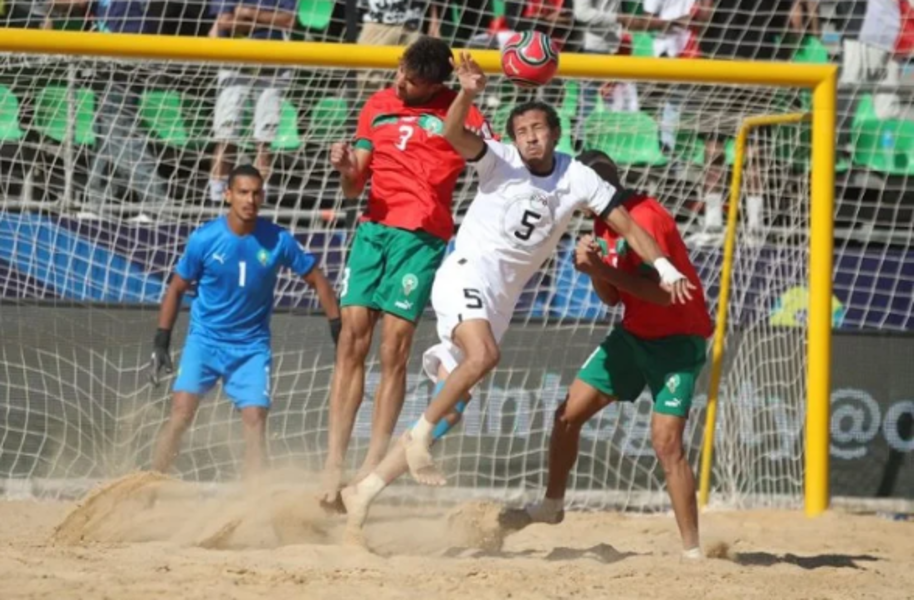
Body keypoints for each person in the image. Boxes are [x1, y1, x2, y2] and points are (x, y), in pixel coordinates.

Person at [338, 54, 694, 531]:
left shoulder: (577, 177)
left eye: (538, 129)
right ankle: (417, 436)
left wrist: (665, 266)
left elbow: (627, 224)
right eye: (521, 129)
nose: (529, 136)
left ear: (555, 134)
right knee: (483, 357)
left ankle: (365, 489)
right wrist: (467, 92)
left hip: (499, 302)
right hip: (464, 276)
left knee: (454, 407)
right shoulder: (499, 158)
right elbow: (451, 134)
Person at [501, 149, 713, 560]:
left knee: (667, 443)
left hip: (678, 339)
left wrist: (602, 270)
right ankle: (552, 505)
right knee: (566, 415)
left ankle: (693, 552)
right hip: (634, 335)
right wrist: (596, 268)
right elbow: (613, 298)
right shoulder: (603, 220)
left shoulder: (645, 217)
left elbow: (662, 294)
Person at [319, 38, 492, 509]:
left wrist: (470, 95)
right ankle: (333, 464)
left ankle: (371, 465)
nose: (401, 82)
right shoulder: (377, 104)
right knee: (352, 337)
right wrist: (344, 168)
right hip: (374, 230)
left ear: (435, 83)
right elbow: (355, 185)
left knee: (394, 347)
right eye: (400, 71)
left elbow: (492, 165)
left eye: (412, 80)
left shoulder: (461, 112)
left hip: (420, 236)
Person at [147, 164, 341, 481]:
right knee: (181, 413)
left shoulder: (278, 239)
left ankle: (254, 501)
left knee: (255, 419)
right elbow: (176, 288)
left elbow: (318, 280)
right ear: (228, 195)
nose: (250, 199)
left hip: (251, 348)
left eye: (255, 193)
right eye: (242, 192)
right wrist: (161, 341)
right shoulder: (204, 239)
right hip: (205, 342)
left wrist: (338, 331)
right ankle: (149, 488)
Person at [207, 0, 297, 204]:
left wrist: (246, 12)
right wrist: (267, 19)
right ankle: (216, 197)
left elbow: (288, 21)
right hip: (235, 60)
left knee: (264, 139)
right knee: (226, 134)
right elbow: (224, 22)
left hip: (273, 63)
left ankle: (258, 199)